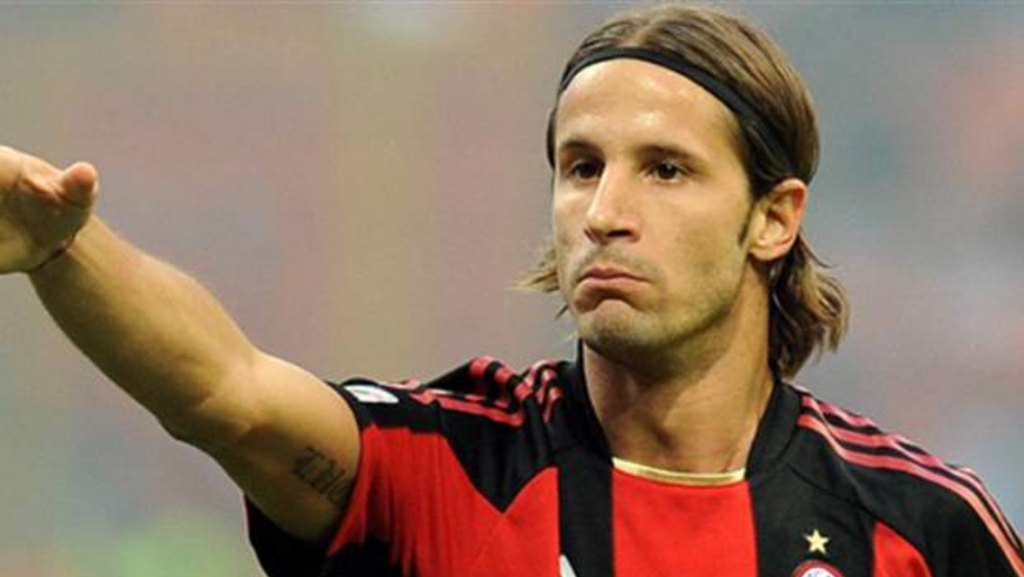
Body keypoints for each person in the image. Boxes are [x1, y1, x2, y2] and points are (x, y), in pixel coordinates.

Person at [1, 4, 1020, 577]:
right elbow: (222, 392)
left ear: (773, 218)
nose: (605, 211)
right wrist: (62, 249)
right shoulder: (453, 466)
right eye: (581, 167)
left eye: (665, 170)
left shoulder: (922, 526)